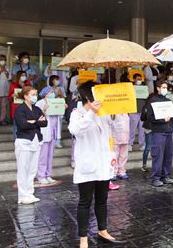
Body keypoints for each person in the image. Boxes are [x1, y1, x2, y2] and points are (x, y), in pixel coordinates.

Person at [68, 81, 124, 247]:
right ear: (88, 96)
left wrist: (116, 113)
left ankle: (103, 230)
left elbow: (113, 130)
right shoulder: (77, 113)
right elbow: (76, 130)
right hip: (88, 165)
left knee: (102, 200)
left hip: (103, 164)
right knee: (85, 202)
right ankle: (83, 238)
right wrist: (92, 112)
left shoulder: (104, 113)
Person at [14, 86, 47, 204]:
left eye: (35, 94)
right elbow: (22, 125)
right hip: (24, 141)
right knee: (23, 169)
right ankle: (22, 195)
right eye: (32, 94)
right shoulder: (20, 109)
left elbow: (45, 123)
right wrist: (37, 122)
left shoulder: (37, 109)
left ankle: (29, 193)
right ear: (25, 96)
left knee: (32, 170)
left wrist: (34, 122)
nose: (35, 97)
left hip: (36, 140)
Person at [143, 81, 173, 187]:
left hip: (168, 131)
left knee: (168, 155)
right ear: (158, 88)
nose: (165, 89)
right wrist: (162, 120)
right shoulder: (152, 101)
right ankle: (155, 178)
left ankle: (166, 176)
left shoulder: (168, 101)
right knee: (158, 155)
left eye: (166, 87)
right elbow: (150, 117)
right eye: (163, 87)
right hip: (158, 131)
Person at [34, 87, 65, 185]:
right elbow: (37, 116)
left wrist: (63, 107)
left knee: (50, 155)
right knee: (43, 155)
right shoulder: (40, 103)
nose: (52, 93)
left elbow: (60, 116)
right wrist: (44, 110)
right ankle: (41, 175)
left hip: (53, 132)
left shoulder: (56, 101)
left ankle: (48, 175)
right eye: (50, 92)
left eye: (53, 92)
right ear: (44, 93)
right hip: (45, 132)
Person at [9, 71, 31, 140]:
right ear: (18, 76)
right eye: (22, 75)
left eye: (25, 75)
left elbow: (32, 93)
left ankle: (25, 138)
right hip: (16, 107)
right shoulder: (14, 84)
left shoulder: (28, 84)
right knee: (16, 124)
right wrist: (13, 95)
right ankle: (16, 139)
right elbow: (9, 96)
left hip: (26, 106)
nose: (23, 76)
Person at [127, 74, 146, 151]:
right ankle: (129, 144)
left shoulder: (144, 88)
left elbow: (146, 97)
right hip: (133, 111)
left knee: (142, 130)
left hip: (142, 111)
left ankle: (142, 144)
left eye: (140, 79)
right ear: (134, 79)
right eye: (138, 79)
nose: (139, 80)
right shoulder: (131, 88)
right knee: (132, 129)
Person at [110, 113, 130, 180]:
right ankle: (113, 172)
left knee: (124, 156)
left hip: (125, 137)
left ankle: (121, 171)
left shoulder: (126, 114)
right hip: (115, 138)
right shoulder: (113, 113)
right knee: (114, 156)